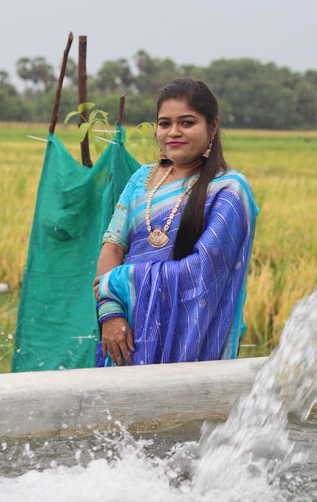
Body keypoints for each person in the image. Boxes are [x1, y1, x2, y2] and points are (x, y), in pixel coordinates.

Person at [93, 78, 258, 366]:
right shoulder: (140, 179)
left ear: (213, 126)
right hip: (126, 334)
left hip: (191, 341)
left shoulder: (229, 191)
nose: (173, 132)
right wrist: (111, 312)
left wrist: (120, 281)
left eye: (187, 123)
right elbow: (113, 248)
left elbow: (202, 274)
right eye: (164, 123)